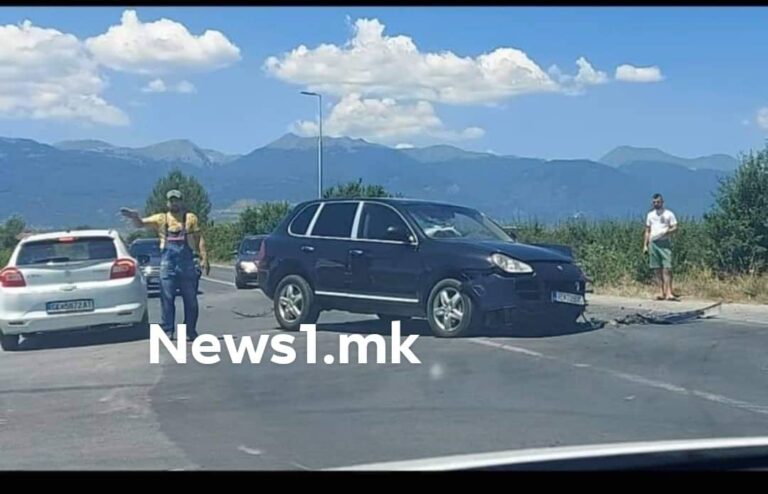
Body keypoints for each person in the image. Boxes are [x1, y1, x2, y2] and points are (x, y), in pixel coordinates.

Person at [120, 190, 210, 340]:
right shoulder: (161, 219)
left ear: (182, 202)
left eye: (177, 200)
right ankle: (168, 330)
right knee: (167, 298)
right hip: (168, 263)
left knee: (191, 300)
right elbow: (141, 224)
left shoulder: (190, 218)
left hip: (187, 263)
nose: (174, 203)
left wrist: (204, 257)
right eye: (171, 200)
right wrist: (135, 217)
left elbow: (199, 238)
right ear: (167, 203)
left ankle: (190, 330)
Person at [643, 193, 679, 301]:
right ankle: (661, 291)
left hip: (664, 243)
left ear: (662, 202)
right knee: (657, 268)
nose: (656, 204)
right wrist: (645, 245)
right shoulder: (650, 215)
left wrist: (666, 232)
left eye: (658, 202)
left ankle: (669, 292)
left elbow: (675, 227)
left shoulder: (669, 214)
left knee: (667, 268)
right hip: (653, 243)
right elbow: (647, 230)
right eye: (654, 202)